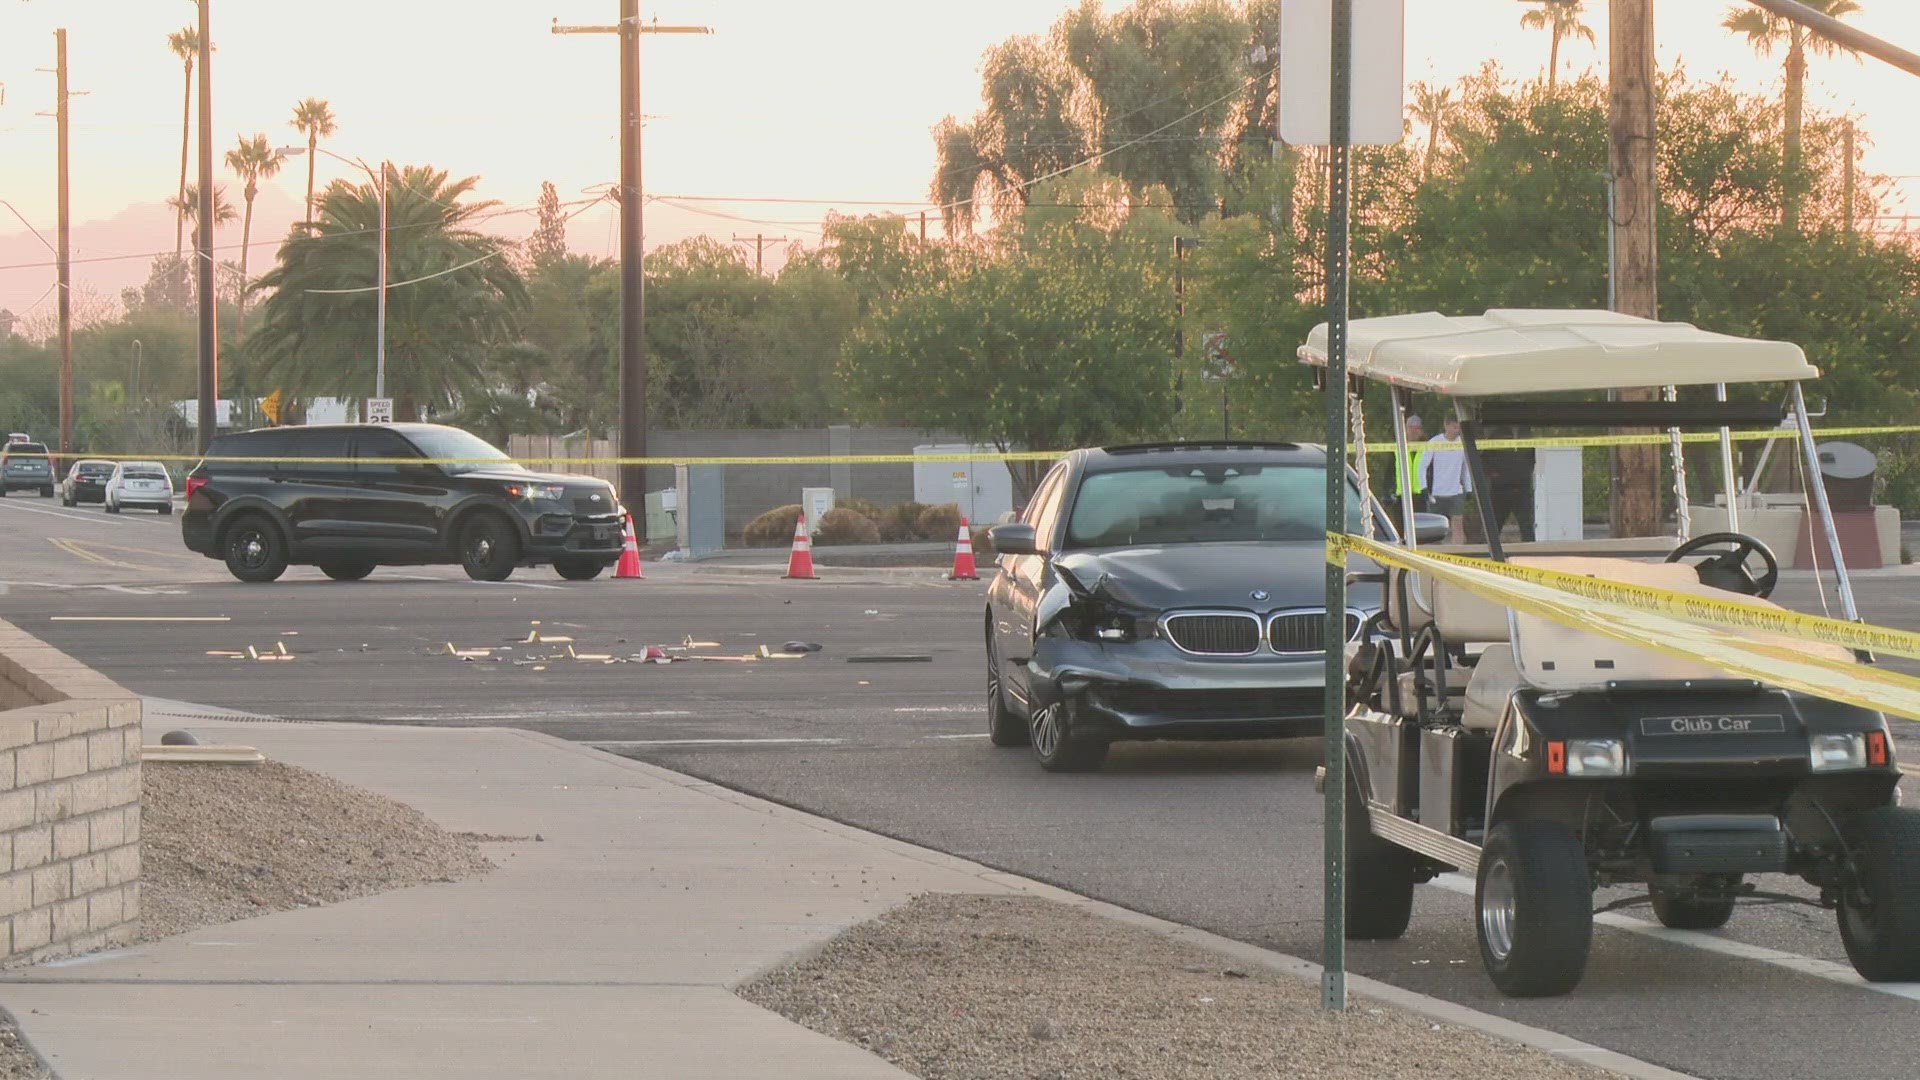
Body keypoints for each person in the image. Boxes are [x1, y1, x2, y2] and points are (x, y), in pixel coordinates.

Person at [1420, 416, 1471, 544]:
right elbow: (1422, 465)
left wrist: (1468, 488)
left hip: (1456, 491)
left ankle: (1458, 553)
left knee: (1458, 524)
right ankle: (1437, 554)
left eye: (1459, 427)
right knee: (1435, 527)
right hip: (1437, 492)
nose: (1457, 430)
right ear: (1446, 426)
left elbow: (1466, 468)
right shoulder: (1435, 442)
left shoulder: (1463, 442)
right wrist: (1423, 487)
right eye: (1454, 427)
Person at [1481, 426, 1537, 543]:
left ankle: (1531, 554)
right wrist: (1494, 474)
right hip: (1500, 489)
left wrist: (1525, 473)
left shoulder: (1526, 434)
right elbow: (1485, 458)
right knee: (1494, 525)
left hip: (1522, 488)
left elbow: (1533, 457)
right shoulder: (1497, 435)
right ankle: (1486, 553)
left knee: (1527, 526)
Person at [1392, 414, 1427, 517]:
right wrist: (1388, 491)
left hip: (1421, 495)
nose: (1413, 431)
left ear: (1421, 431)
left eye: (1417, 428)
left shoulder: (1429, 447)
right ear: (1405, 429)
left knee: (1422, 528)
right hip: (1400, 495)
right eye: (1410, 428)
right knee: (1400, 530)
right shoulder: (1395, 447)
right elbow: (1389, 471)